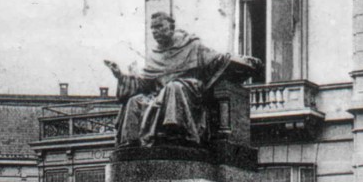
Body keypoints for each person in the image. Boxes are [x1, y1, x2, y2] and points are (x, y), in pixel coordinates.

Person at [105, 12, 261, 148]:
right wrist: (120, 75)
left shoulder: (191, 45)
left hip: (189, 92)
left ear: (171, 28)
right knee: (135, 101)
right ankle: (131, 143)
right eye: (152, 28)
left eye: (159, 27)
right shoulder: (154, 55)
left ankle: (175, 132)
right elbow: (142, 83)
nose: (155, 31)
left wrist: (240, 60)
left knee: (173, 88)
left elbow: (216, 59)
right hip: (159, 96)